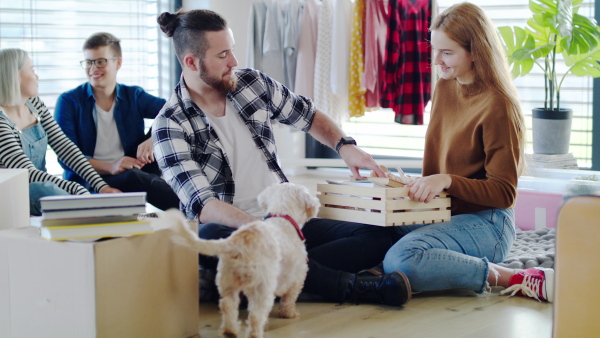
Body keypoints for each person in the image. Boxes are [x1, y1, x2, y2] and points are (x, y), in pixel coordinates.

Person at [152, 9, 411, 306]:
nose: (234, 62)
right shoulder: (168, 125)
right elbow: (204, 206)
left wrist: (345, 146)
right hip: (236, 233)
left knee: (376, 235)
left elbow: (308, 114)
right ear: (191, 62)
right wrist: (265, 232)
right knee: (209, 235)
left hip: (285, 219)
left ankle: (269, 284)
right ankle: (355, 288)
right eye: (223, 55)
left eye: (232, 50)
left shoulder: (252, 84)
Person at [382, 2, 554, 302]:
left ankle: (517, 277)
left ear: (476, 51)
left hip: (488, 221)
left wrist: (446, 180)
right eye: (434, 50)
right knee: (369, 233)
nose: (436, 61)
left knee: (401, 260)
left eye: (447, 53)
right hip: (443, 212)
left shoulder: (499, 105)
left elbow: (504, 193)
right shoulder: (445, 87)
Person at [54, 32, 179, 211]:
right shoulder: (69, 101)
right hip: (91, 180)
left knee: (165, 128)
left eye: (100, 61)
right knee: (135, 177)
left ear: (118, 62)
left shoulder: (133, 96)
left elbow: (175, 110)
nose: (93, 69)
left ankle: (193, 206)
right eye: (89, 62)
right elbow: (66, 158)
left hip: (134, 169)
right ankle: (199, 210)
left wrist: (153, 139)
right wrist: (112, 167)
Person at [0, 48, 121, 216]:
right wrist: (77, 189)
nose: (37, 76)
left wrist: (101, 186)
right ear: (16, 77)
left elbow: (65, 148)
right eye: (32, 70)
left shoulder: (34, 104)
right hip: (12, 195)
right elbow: (27, 173)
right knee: (50, 191)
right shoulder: (1, 122)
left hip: (43, 186)